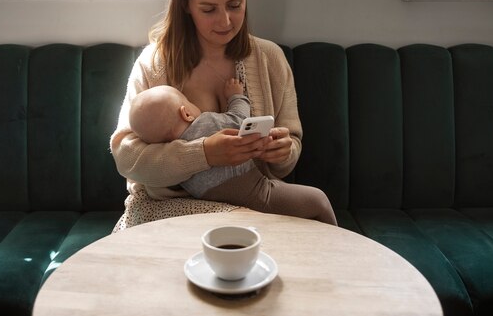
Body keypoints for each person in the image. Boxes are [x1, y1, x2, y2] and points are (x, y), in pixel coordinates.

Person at [110, 0, 337, 230]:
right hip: (167, 211)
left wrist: (282, 150)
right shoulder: (154, 64)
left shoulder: (269, 60)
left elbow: (290, 149)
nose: (226, 21)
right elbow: (127, 158)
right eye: (209, 9)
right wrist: (203, 154)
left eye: (235, 5)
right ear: (186, 6)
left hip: (253, 205)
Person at [128, 81, 337, 224]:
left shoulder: (169, 157)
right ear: (187, 112)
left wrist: (284, 150)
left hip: (217, 209)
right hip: (259, 194)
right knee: (319, 200)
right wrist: (236, 95)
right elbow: (239, 120)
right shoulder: (205, 123)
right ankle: (339, 249)